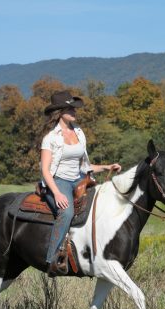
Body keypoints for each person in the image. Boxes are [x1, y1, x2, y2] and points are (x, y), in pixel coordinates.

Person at [40, 90, 121, 276]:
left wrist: (107, 166)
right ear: (60, 111)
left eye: (74, 108)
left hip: (79, 178)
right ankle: (51, 259)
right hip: (59, 180)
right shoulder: (50, 138)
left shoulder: (79, 132)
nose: (74, 112)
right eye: (70, 108)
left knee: (101, 203)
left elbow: (86, 165)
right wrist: (58, 193)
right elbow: (45, 171)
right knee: (66, 212)